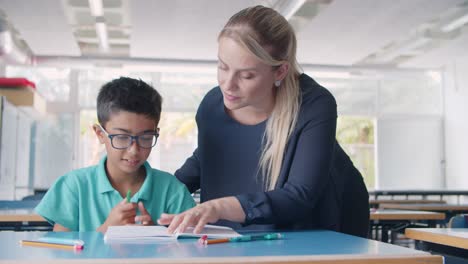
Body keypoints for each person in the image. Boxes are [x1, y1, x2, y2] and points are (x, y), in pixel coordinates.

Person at [157, 5, 369, 238]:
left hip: (319, 228)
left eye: (246, 75)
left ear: (279, 72)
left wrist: (217, 207)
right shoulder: (212, 105)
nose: (228, 84)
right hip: (241, 235)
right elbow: (206, 160)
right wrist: (157, 197)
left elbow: (299, 195)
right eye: (222, 67)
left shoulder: (313, 104)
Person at [35, 77, 196, 232]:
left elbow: (191, 252)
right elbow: (61, 255)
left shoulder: (172, 190)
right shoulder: (73, 187)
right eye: (122, 137)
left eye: (146, 137)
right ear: (100, 134)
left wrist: (154, 236)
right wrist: (104, 232)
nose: (134, 150)